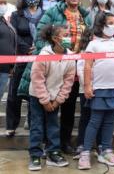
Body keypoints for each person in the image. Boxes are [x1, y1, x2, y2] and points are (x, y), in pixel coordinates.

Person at [18, 0, 91, 154]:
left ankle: (63, 143)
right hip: (53, 66)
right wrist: (53, 54)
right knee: (45, 109)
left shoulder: (86, 16)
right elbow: (40, 36)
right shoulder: (53, 13)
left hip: (75, 67)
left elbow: (89, 39)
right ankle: (44, 145)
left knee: (69, 107)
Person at [78, 12, 114, 170]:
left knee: (110, 121)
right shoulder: (93, 44)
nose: (113, 26)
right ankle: (85, 153)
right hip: (100, 88)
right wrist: (88, 86)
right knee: (95, 121)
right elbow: (87, 66)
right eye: (109, 23)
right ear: (100, 25)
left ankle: (106, 151)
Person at [28, 24, 75, 171]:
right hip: (38, 96)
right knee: (37, 126)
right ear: (55, 38)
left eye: (69, 34)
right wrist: (45, 100)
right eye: (65, 34)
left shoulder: (70, 56)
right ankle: (35, 154)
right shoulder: (43, 55)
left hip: (55, 98)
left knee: (53, 126)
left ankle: (53, 152)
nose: (69, 37)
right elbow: (37, 79)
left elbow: (69, 81)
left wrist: (58, 100)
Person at [6, 0, 44, 137]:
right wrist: (27, 47)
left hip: (39, 58)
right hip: (21, 57)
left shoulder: (45, 14)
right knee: (14, 93)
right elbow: (14, 33)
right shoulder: (17, 14)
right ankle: (11, 125)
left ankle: (32, 122)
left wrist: (38, 47)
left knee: (33, 93)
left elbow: (47, 32)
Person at [74, 27, 101, 160]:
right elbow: (81, 71)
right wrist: (88, 86)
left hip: (101, 89)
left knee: (100, 118)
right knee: (85, 118)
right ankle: (81, 144)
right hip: (86, 90)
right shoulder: (84, 52)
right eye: (93, 36)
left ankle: (98, 145)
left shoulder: (103, 51)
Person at [0, 0, 17, 100]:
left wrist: (11, 65)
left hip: (5, 69)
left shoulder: (5, 21)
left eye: (4, 3)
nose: (2, 5)